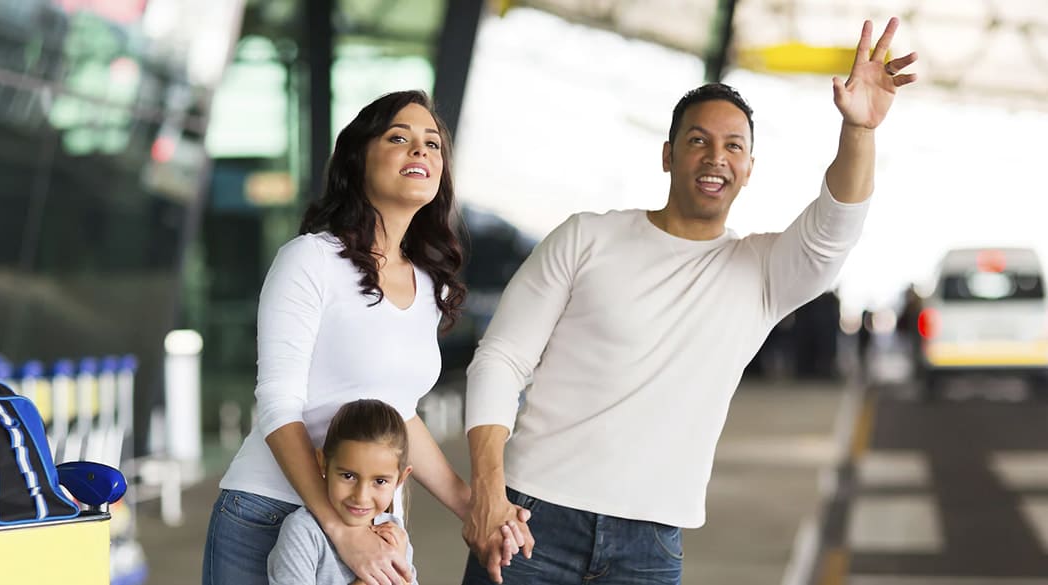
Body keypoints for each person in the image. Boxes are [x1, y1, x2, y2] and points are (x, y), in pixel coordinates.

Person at [460, 17, 918, 584]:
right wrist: (486, 490)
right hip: (529, 520)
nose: (715, 156)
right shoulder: (586, 237)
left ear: (749, 169)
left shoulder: (762, 272)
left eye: (734, 146)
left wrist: (859, 132)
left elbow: (834, 229)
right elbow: (501, 359)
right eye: (698, 139)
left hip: (648, 545)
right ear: (668, 155)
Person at [201, 90, 529, 585]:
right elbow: (277, 404)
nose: (421, 150)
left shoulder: (425, 283)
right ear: (357, 161)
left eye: (432, 143)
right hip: (270, 512)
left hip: (369, 521)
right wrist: (338, 531)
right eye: (399, 137)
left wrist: (474, 507)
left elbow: (398, 412)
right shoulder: (310, 260)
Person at [267, 399, 418, 584]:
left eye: (379, 481)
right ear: (323, 463)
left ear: (401, 478)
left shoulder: (395, 535)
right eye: (348, 476)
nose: (361, 497)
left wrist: (399, 564)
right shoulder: (304, 532)